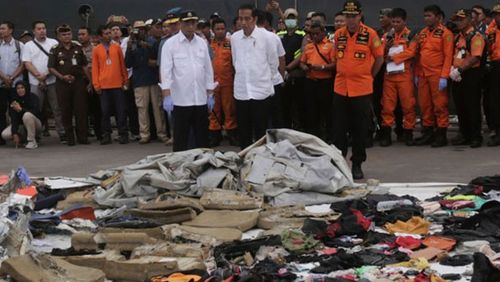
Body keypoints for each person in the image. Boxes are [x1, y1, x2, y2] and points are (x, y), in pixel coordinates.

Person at [331, 0, 384, 180]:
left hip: (361, 89)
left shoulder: (370, 34)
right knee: (338, 130)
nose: (350, 20)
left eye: (353, 16)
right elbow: (334, 58)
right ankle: (339, 164)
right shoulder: (338, 34)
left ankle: (357, 164)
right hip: (340, 88)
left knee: (359, 129)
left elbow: (379, 59)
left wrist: (369, 76)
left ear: (360, 15)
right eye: (347, 16)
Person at [160, 10, 216, 152]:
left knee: (202, 138)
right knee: (181, 139)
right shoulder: (170, 44)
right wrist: (167, 95)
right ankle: (180, 169)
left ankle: (203, 166)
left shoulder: (202, 43)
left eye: (193, 22)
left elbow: (208, 69)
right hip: (180, 100)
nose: (190, 26)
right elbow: (165, 71)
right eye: (187, 23)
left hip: (200, 99)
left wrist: (210, 93)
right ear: (180, 24)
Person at [231, 4, 279, 149]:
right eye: (241, 19)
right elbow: (235, 62)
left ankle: (260, 163)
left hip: (261, 92)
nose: (243, 22)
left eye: (247, 19)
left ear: (255, 19)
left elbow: (273, 64)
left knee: (261, 132)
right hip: (241, 92)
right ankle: (245, 163)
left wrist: (264, 81)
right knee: (244, 132)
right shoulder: (234, 38)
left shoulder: (268, 37)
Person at [413, 5, 454, 147]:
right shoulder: (422, 33)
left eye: (429, 15)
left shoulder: (446, 33)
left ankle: (441, 135)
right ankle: (428, 133)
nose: (426, 18)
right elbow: (418, 55)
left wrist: (444, 76)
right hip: (423, 74)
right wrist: (417, 73)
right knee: (424, 105)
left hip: (437, 75)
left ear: (438, 17)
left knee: (440, 106)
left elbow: (448, 56)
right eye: (425, 16)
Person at [22, 20, 65, 142]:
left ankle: (62, 133)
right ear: (34, 31)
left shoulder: (54, 43)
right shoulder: (28, 45)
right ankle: (35, 134)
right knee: (36, 109)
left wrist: (46, 76)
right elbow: (27, 63)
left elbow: (58, 61)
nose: (42, 31)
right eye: (39, 29)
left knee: (57, 108)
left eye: (44, 28)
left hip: (52, 81)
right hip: (35, 82)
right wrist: (38, 76)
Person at [125, 20, 168, 145]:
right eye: (138, 29)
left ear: (146, 30)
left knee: (157, 108)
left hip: (153, 79)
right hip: (139, 81)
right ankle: (144, 134)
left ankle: (162, 133)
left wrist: (147, 48)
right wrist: (129, 48)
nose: (140, 31)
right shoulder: (131, 43)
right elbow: (128, 63)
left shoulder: (152, 42)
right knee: (142, 109)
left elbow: (158, 59)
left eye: (142, 29)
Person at [449, 9, 486, 148]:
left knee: (472, 106)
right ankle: (465, 134)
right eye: (456, 19)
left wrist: (459, 69)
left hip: (471, 75)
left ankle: (476, 136)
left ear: (470, 20)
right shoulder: (458, 37)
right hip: (458, 76)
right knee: (460, 106)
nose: (458, 22)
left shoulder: (476, 37)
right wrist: (453, 69)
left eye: (461, 19)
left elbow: (475, 57)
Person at [381, 8, 417, 146]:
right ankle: (386, 135)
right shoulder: (386, 36)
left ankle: (408, 133)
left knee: (408, 105)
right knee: (387, 107)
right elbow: (378, 53)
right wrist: (386, 49)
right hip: (389, 76)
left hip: (404, 75)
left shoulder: (410, 35)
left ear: (404, 21)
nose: (395, 24)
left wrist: (394, 57)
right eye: (393, 21)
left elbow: (412, 51)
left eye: (398, 21)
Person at [48, 25, 90, 146]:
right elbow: (51, 67)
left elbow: (84, 66)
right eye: (64, 35)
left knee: (81, 110)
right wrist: (62, 77)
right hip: (62, 84)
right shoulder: (55, 49)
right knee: (65, 111)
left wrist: (90, 81)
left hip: (78, 82)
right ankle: (70, 138)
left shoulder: (77, 47)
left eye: (69, 34)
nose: (67, 36)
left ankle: (82, 137)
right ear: (59, 36)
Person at [91, 25, 129, 145]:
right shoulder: (96, 50)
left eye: (109, 33)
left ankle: (123, 134)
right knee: (105, 112)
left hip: (117, 85)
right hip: (104, 86)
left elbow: (122, 65)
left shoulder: (117, 47)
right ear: (100, 36)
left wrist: (125, 79)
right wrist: (96, 84)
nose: (109, 35)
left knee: (121, 111)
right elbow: (95, 68)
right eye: (106, 33)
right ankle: (106, 135)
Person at [300, 20, 335, 141]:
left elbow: (335, 64)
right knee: (311, 110)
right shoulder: (308, 46)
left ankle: (329, 135)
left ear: (323, 32)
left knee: (326, 110)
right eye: (312, 34)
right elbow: (302, 62)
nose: (315, 36)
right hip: (310, 81)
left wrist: (322, 67)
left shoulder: (330, 46)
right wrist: (304, 67)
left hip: (325, 82)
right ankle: (314, 135)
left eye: (317, 34)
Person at [209, 18, 237, 147]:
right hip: (213, 83)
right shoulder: (209, 45)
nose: (220, 31)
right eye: (217, 29)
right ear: (213, 30)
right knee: (214, 110)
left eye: (222, 29)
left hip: (228, 82)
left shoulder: (231, 44)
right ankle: (215, 134)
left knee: (229, 109)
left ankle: (232, 134)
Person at [256, 9, 286, 128]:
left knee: (261, 114)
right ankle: (277, 138)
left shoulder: (248, 37)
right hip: (274, 81)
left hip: (259, 83)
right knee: (276, 113)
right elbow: (282, 59)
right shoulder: (274, 37)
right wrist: (281, 77)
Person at [277, 8, 307, 130]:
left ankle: (299, 130)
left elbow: (303, 53)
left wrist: (288, 68)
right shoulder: (279, 34)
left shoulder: (302, 34)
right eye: (288, 18)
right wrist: (282, 71)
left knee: (299, 106)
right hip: (282, 76)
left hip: (296, 74)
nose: (291, 20)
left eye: (293, 18)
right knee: (284, 106)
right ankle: (286, 130)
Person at [0, 21, 24, 145]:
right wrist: (4, 78)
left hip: (16, 85)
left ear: (10, 30)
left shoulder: (19, 46)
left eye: (3, 28)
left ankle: (19, 135)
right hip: (1, 84)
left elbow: (22, 64)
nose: (1, 31)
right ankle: (1, 138)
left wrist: (12, 78)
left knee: (16, 110)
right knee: (1, 111)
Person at [1, 81, 42, 149]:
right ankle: (23, 140)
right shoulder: (15, 100)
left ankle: (32, 141)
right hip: (21, 126)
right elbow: (14, 119)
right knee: (4, 134)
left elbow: (36, 112)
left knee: (27, 115)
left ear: (26, 88)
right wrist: (14, 133)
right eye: (18, 88)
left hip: (36, 125)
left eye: (22, 88)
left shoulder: (33, 97)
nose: (20, 90)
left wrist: (21, 109)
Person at [78, 26, 101, 140]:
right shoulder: (76, 49)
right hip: (80, 81)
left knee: (96, 108)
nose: (81, 37)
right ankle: (84, 133)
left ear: (90, 36)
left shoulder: (96, 49)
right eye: (79, 35)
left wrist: (92, 82)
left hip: (94, 80)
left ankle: (99, 133)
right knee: (82, 109)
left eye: (83, 34)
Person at [487, 4, 500, 146]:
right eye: (495, 15)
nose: (498, 17)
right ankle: (498, 132)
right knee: (495, 101)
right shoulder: (491, 33)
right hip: (496, 67)